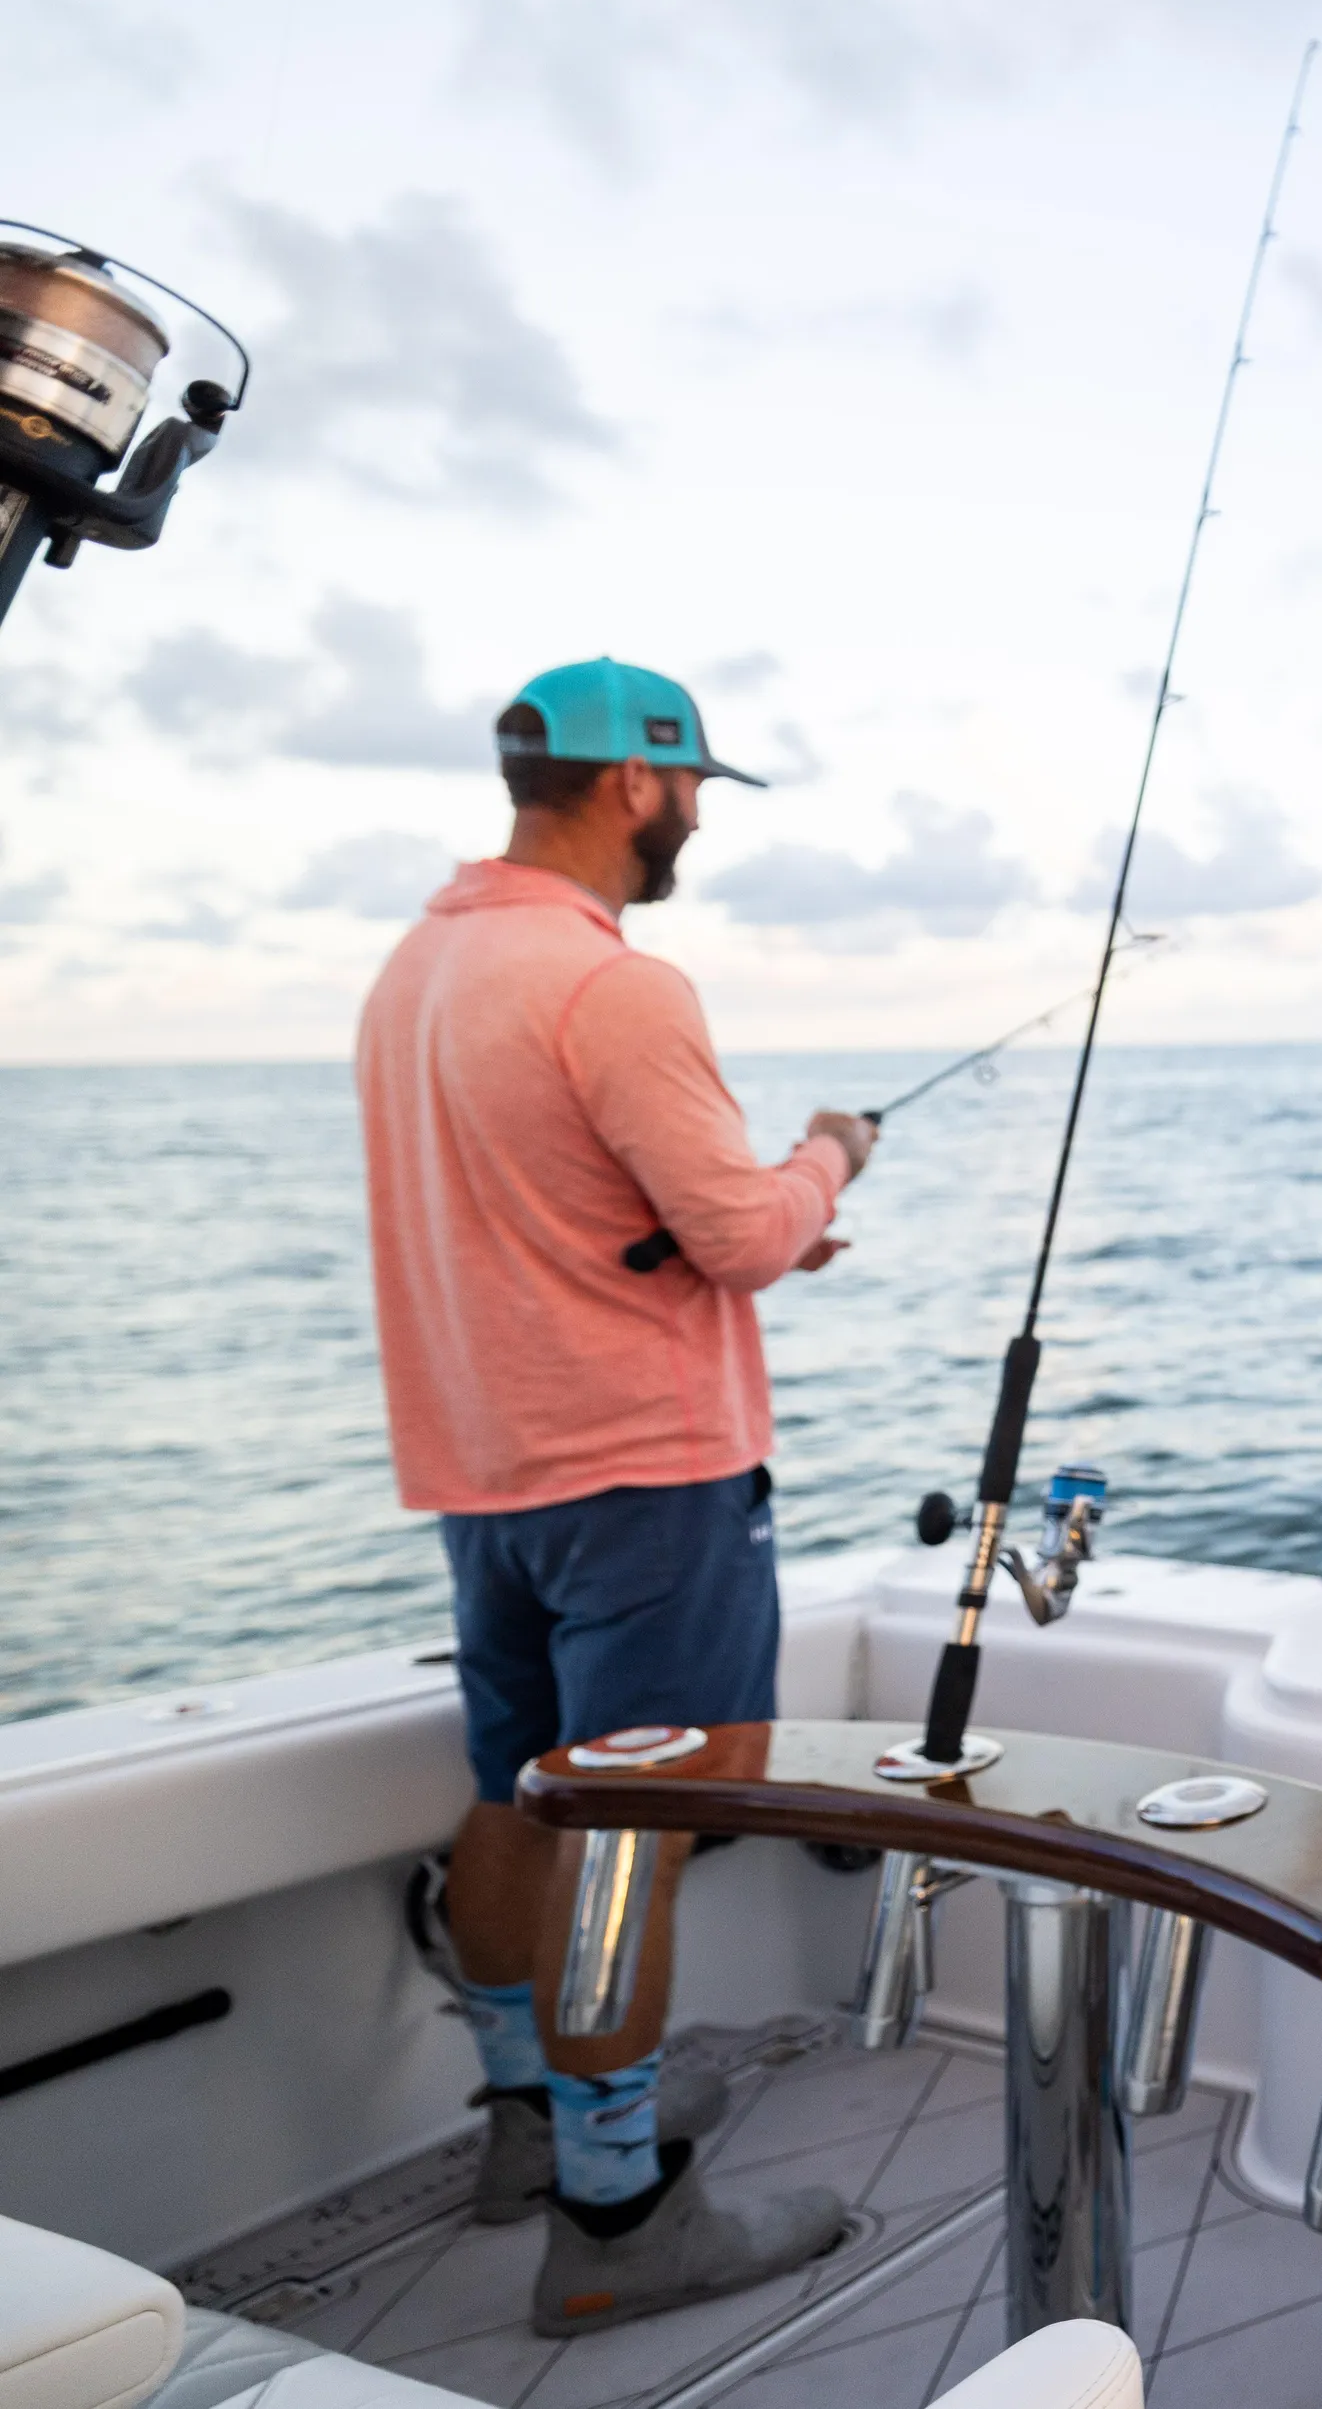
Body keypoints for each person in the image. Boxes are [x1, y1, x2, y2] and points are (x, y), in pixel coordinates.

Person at [355, 659, 870, 2333]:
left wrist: (744, 1205)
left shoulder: (415, 968)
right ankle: (618, 2208)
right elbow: (738, 1236)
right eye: (696, 786)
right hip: (644, 1483)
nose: (702, 814)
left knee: (519, 1794)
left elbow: (564, 1214)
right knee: (628, 1847)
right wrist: (824, 1160)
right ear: (633, 785)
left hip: (485, 1474)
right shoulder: (613, 985)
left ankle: (527, 2123)